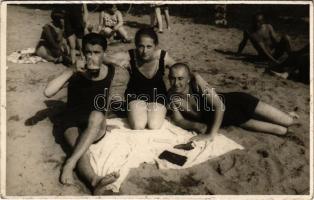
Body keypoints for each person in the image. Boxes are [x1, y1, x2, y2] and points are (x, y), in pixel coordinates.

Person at [44, 33, 119, 194]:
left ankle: (69, 163)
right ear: (82, 53)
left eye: (97, 52)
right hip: (72, 122)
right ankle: (94, 180)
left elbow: (108, 95)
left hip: (95, 123)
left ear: (104, 53)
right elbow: (48, 92)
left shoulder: (110, 70)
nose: (92, 57)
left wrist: (105, 119)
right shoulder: (76, 72)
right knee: (80, 148)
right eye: (88, 52)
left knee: (97, 115)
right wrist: (71, 70)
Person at [168, 63, 298, 142]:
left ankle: (288, 114)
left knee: (288, 121)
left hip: (238, 102)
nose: (176, 83)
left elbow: (219, 105)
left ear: (188, 79)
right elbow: (178, 120)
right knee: (281, 131)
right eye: (172, 79)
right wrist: (196, 126)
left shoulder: (196, 81)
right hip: (232, 120)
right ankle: (284, 115)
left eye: (180, 78)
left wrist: (210, 134)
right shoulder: (171, 95)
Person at [103, 28, 176, 130]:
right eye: (141, 46)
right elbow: (103, 57)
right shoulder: (131, 55)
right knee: (138, 125)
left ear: (155, 46)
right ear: (136, 45)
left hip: (158, 96)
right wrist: (116, 62)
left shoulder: (163, 57)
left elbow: (181, 69)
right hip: (135, 96)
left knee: (153, 125)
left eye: (149, 47)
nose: (144, 51)